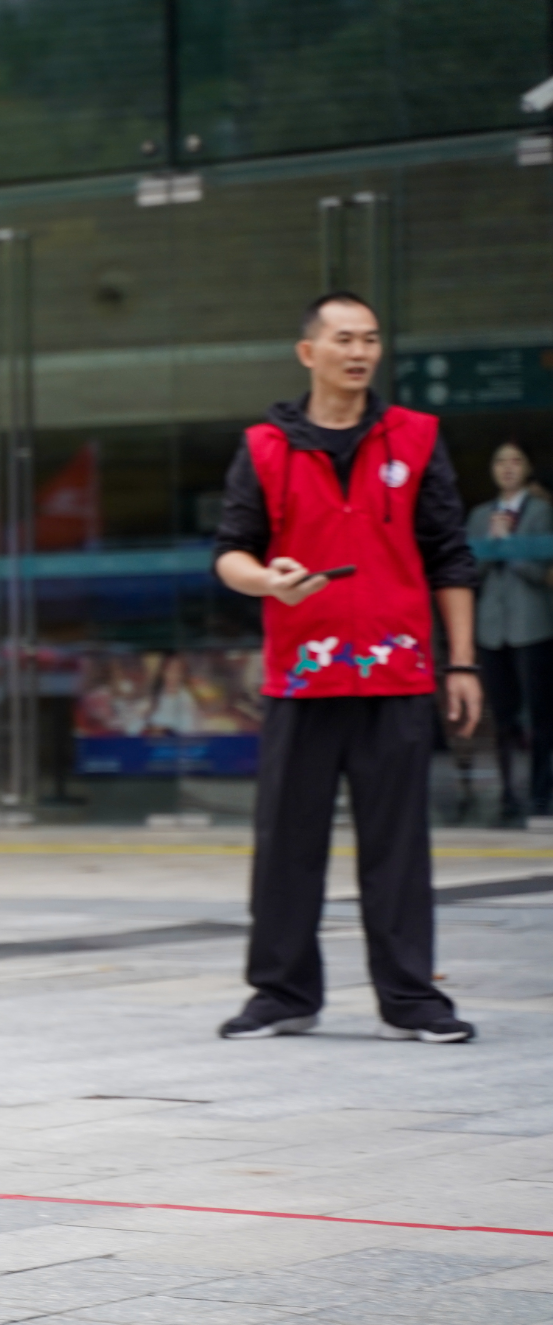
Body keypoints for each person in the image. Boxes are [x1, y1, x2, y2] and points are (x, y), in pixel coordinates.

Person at [211, 291, 481, 1043]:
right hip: (302, 674)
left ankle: (412, 999)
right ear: (309, 353)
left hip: (397, 673)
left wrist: (462, 662)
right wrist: (266, 579)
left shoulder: (415, 439)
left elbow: (450, 556)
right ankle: (281, 993)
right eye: (343, 339)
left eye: (370, 339)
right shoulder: (265, 446)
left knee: (398, 847)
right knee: (287, 842)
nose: (359, 352)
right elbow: (231, 551)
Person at [467, 442, 553, 820]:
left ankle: (539, 791)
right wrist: (490, 542)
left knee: (539, 714)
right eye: (500, 460)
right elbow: (470, 573)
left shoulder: (541, 512)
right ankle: (507, 794)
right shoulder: (480, 515)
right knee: (502, 716)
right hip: (491, 627)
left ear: (527, 468)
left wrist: (509, 547)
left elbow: (541, 572)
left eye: (516, 460)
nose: (507, 467)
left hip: (531, 625)